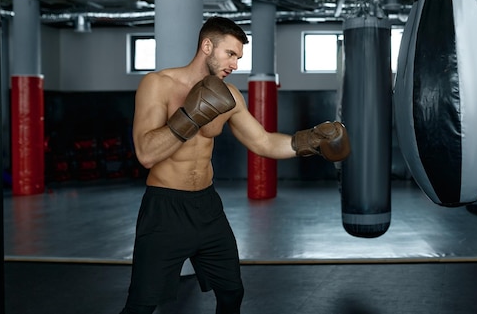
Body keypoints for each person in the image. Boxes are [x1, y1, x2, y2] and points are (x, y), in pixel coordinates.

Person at [120, 16, 350, 314]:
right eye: (230, 54)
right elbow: (146, 154)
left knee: (231, 292)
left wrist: (312, 141)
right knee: (141, 305)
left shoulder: (228, 95)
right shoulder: (158, 84)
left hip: (207, 207)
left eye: (239, 57)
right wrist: (190, 116)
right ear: (207, 46)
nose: (236, 64)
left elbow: (263, 142)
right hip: (165, 210)